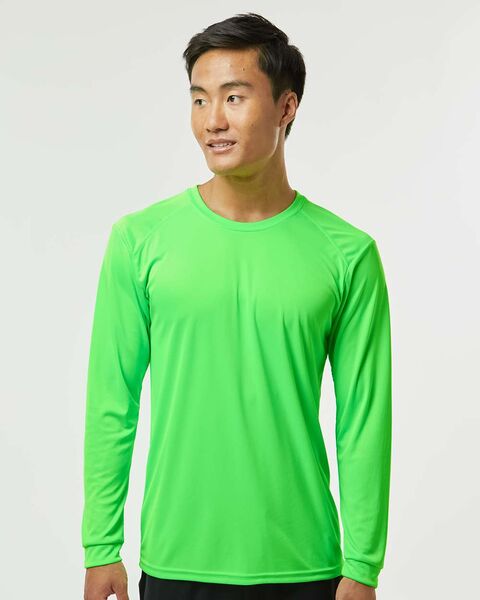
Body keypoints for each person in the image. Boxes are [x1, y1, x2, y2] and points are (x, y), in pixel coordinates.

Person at [82, 12, 392, 600]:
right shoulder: (139, 241)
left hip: (306, 567)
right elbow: (111, 402)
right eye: (199, 99)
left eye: (233, 97)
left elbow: (364, 421)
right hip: (177, 563)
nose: (212, 121)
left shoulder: (348, 254)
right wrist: (101, 546)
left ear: (286, 107)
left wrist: (363, 565)